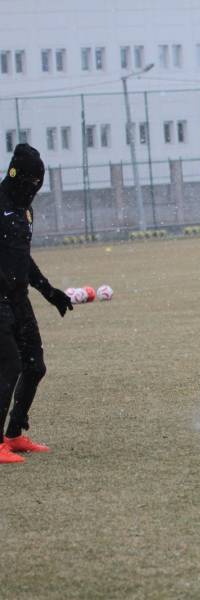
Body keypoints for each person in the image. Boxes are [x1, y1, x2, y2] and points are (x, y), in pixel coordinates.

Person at [0, 144, 73, 464]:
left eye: (38, 185)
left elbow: (21, 257)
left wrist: (49, 291)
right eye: (31, 183)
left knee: (34, 365)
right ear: (15, 176)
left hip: (18, 299)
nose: (34, 190)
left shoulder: (25, 210)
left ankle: (14, 433)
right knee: (10, 365)